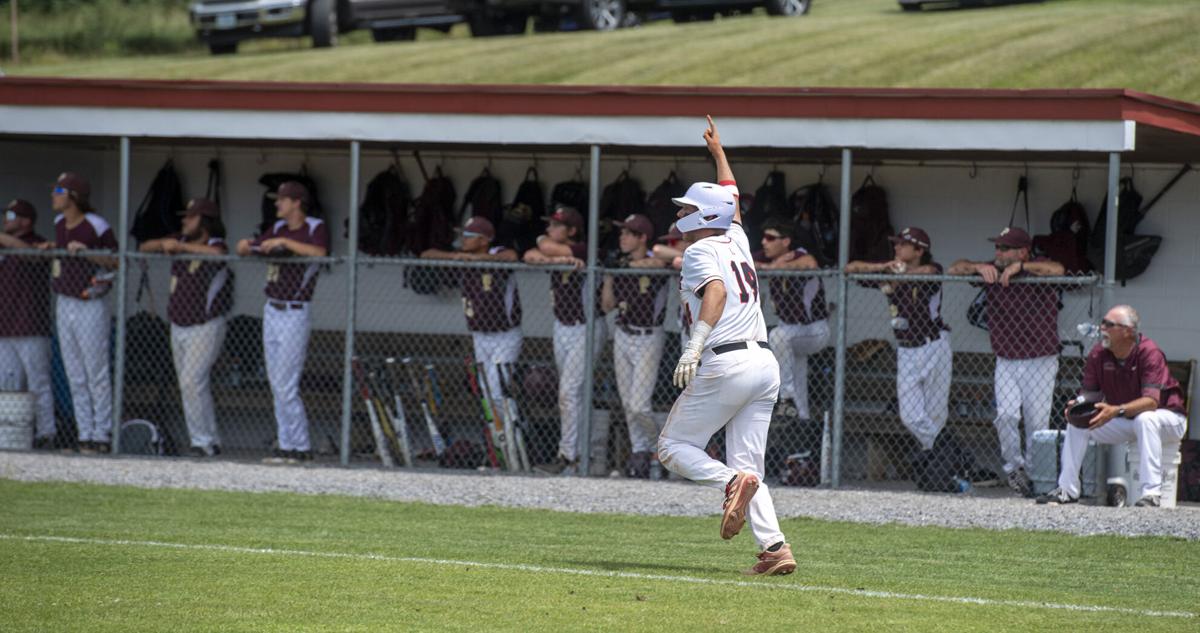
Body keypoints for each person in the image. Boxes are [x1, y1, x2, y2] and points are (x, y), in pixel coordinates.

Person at [657, 116, 796, 576]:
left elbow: (713, 294)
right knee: (750, 467)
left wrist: (694, 345)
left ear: (701, 216)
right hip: (763, 362)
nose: (679, 215)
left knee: (673, 446)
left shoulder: (700, 252)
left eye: (685, 209)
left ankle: (730, 481)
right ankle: (775, 546)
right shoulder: (737, 238)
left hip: (725, 360)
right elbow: (731, 194)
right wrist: (718, 153)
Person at [949, 226, 1065, 496]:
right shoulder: (992, 267)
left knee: (1036, 422)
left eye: (1004, 248)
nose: (997, 252)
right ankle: (1015, 468)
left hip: (1040, 358)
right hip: (1006, 358)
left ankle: (1037, 475)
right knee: (1006, 415)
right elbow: (954, 268)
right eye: (997, 248)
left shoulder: (1036, 266)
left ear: (1022, 251)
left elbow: (1058, 270)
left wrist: (1022, 267)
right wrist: (978, 267)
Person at [1038, 305, 1187, 507]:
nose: (1102, 328)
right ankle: (1067, 489)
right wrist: (1078, 405)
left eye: (1109, 324)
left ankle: (1151, 493)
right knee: (1078, 423)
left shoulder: (1149, 352)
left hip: (1169, 419)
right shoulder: (1099, 353)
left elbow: (1151, 402)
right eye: (1103, 323)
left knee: (1146, 418)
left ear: (1128, 331)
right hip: (1128, 420)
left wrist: (1116, 410)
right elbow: (1090, 393)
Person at [236, 181, 329, 464]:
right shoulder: (276, 228)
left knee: (286, 384)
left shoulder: (313, 226)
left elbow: (320, 253)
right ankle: (286, 444)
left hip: (295, 311)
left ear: (297, 202)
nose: (277, 204)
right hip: (272, 310)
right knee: (276, 382)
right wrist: (254, 246)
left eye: (283, 200)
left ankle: (299, 447)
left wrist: (286, 244)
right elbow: (243, 247)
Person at [846, 227, 951, 454]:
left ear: (918, 250)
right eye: (897, 244)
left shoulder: (931, 270)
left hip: (933, 345)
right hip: (905, 349)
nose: (897, 247)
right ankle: (947, 453)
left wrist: (900, 275)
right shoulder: (889, 270)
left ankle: (938, 465)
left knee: (936, 413)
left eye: (903, 244)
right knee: (910, 416)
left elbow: (931, 272)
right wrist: (883, 268)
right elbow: (850, 268)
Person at [140, 198, 232, 458]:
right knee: (190, 384)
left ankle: (201, 441)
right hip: (178, 325)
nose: (185, 221)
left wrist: (181, 246)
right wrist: (164, 244)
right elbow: (145, 246)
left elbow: (219, 255)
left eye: (191, 217)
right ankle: (210, 440)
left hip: (205, 326)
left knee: (192, 381)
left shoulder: (215, 244)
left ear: (205, 221)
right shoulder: (178, 238)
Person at [523, 206, 604, 474]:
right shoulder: (555, 250)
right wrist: (555, 261)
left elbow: (547, 248)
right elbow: (531, 254)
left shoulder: (583, 248)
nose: (550, 230)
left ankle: (569, 455)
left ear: (571, 230)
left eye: (557, 226)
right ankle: (580, 453)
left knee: (569, 391)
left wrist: (554, 255)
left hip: (586, 327)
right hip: (562, 327)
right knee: (571, 393)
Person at [42, 173, 118, 454]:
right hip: (65, 299)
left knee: (95, 371)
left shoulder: (96, 225)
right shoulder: (59, 223)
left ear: (73, 195)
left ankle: (102, 433)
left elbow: (116, 261)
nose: (54, 195)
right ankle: (84, 432)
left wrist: (87, 252)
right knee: (74, 371)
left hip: (90, 301)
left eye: (59, 190)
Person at [422, 216, 521, 408]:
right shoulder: (462, 255)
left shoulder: (496, 252)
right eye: (463, 235)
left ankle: (512, 434)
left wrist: (475, 259)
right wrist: (456, 257)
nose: (463, 240)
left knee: (498, 390)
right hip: (479, 335)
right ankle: (496, 436)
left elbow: (512, 256)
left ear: (484, 240)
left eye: (469, 236)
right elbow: (426, 254)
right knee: (485, 390)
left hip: (505, 335)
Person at [601, 213, 668, 479]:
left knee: (640, 404)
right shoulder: (620, 264)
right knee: (629, 403)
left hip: (649, 336)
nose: (622, 237)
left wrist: (632, 263)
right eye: (622, 233)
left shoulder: (656, 258)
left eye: (629, 233)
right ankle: (641, 451)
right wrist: (609, 275)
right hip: (623, 334)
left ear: (642, 237)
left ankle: (660, 447)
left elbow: (662, 261)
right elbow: (607, 306)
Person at [754, 219, 829, 424]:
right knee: (797, 374)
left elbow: (810, 264)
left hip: (814, 330)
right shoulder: (766, 257)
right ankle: (801, 421)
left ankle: (785, 397)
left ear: (786, 241)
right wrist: (771, 265)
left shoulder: (799, 254)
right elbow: (744, 263)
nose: (764, 242)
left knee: (777, 335)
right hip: (791, 332)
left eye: (770, 238)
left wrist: (775, 266)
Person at [0, 199, 55, 448]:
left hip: (31, 327)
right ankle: (12, 434)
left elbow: (30, 255)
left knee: (38, 383)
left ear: (26, 221)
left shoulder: (36, 243)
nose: (6, 219)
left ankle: (47, 434)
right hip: (5, 327)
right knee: (8, 385)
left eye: (11, 215)